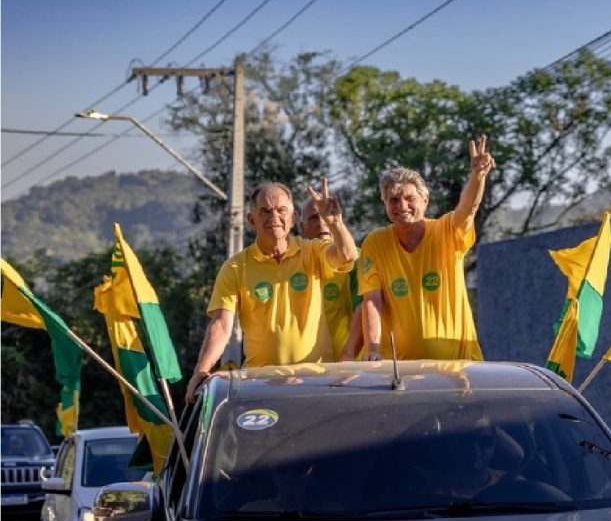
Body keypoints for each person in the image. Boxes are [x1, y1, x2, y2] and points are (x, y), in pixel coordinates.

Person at [185, 179, 357, 402]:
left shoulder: (313, 252)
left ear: (293, 218)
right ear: (251, 220)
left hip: (315, 381)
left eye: (281, 210)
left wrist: (335, 223)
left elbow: (347, 256)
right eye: (265, 211)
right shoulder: (236, 267)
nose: (274, 217)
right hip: (261, 384)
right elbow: (221, 324)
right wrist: (202, 369)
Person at [359, 135, 495, 360]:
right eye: (393, 200)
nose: (402, 206)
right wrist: (373, 350)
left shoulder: (446, 231)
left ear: (425, 200)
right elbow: (371, 301)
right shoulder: (375, 242)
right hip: (397, 373)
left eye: (410, 198)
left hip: (458, 368)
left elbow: (467, 209)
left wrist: (478, 176)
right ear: (385, 204)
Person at [298, 197, 363, 360]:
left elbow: (365, 309)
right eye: (313, 217)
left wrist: (348, 354)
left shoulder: (355, 260)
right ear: (301, 227)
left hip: (346, 367)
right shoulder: (291, 262)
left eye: (326, 215)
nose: (322, 222)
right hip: (303, 371)